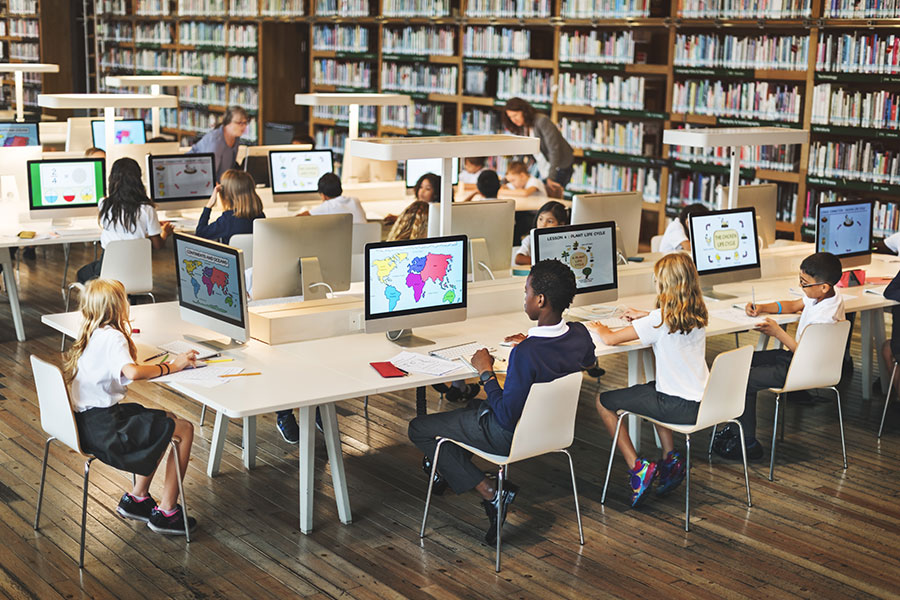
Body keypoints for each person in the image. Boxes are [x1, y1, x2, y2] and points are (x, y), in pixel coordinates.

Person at [408, 259, 596, 544]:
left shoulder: (527, 354)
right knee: (472, 408)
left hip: (510, 435)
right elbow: (586, 359)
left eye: (526, 292)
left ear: (540, 299)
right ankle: (451, 469)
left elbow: (506, 416)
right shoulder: (580, 335)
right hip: (553, 431)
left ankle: (491, 492)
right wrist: (533, 344)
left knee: (419, 428)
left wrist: (486, 373)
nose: (525, 297)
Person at [63, 278, 198, 535]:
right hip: (108, 432)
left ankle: (138, 498)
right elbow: (133, 373)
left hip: (87, 424)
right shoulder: (114, 338)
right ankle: (167, 512)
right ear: (118, 307)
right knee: (185, 428)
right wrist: (173, 366)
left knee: (166, 418)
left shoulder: (90, 333)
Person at [587, 252, 708, 506]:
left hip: (674, 405)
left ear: (663, 286)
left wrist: (599, 327)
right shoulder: (698, 313)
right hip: (704, 403)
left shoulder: (659, 320)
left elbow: (610, 339)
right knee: (652, 389)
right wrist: (644, 316)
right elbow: (665, 322)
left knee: (603, 401)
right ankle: (670, 458)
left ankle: (637, 467)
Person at [712, 252, 845, 460]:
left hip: (805, 367)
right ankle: (735, 427)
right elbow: (793, 305)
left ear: (823, 286)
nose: (802, 287)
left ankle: (747, 443)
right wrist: (763, 308)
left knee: (743, 379)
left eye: (804, 283)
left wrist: (778, 333)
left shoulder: (826, 317)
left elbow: (807, 354)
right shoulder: (825, 297)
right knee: (742, 363)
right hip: (798, 360)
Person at [76, 158, 173, 284]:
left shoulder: (104, 204)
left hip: (107, 271)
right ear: (138, 180)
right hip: (138, 273)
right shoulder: (147, 209)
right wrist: (165, 232)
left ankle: (96, 302)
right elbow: (158, 245)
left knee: (81, 274)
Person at [502, 97, 574, 197]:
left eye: (515, 115)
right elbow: (522, 153)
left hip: (559, 166)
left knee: (552, 198)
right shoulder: (524, 127)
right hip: (543, 166)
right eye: (510, 117)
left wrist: (551, 177)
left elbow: (554, 150)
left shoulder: (542, 121)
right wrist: (508, 175)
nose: (514, 120)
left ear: (524, 112)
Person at [194, 169, 265, 245]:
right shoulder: (260, 217)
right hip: (256, 257)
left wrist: (209, 206)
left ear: (226, 194)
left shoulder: (227, 220)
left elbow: (200, 234)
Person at [188, 106, 249, 182]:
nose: (244, 126)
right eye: (240, 123)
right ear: (228, 122)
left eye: (245, 123)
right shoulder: (216, 142)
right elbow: (208, 176)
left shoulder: (236, 138)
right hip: (195, 179)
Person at [385, 173, 442, 241]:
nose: (422, 192)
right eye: (421, 187)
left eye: (428, 189)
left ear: (436, 193)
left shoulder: (437, 213)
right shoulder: (416, 208)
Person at [515, 200, 568, 266]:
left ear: (561, 225)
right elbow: (518, 259)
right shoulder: (530, 239)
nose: (543, 224)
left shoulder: (564, 241)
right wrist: (543, 261)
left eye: (550, 221)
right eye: (540, 219)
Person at [297, 173, 366, 223]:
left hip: (346, 242)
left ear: (323, 195)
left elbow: (297, 218)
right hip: (364, 242)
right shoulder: (355, 200)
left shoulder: (328, 206)